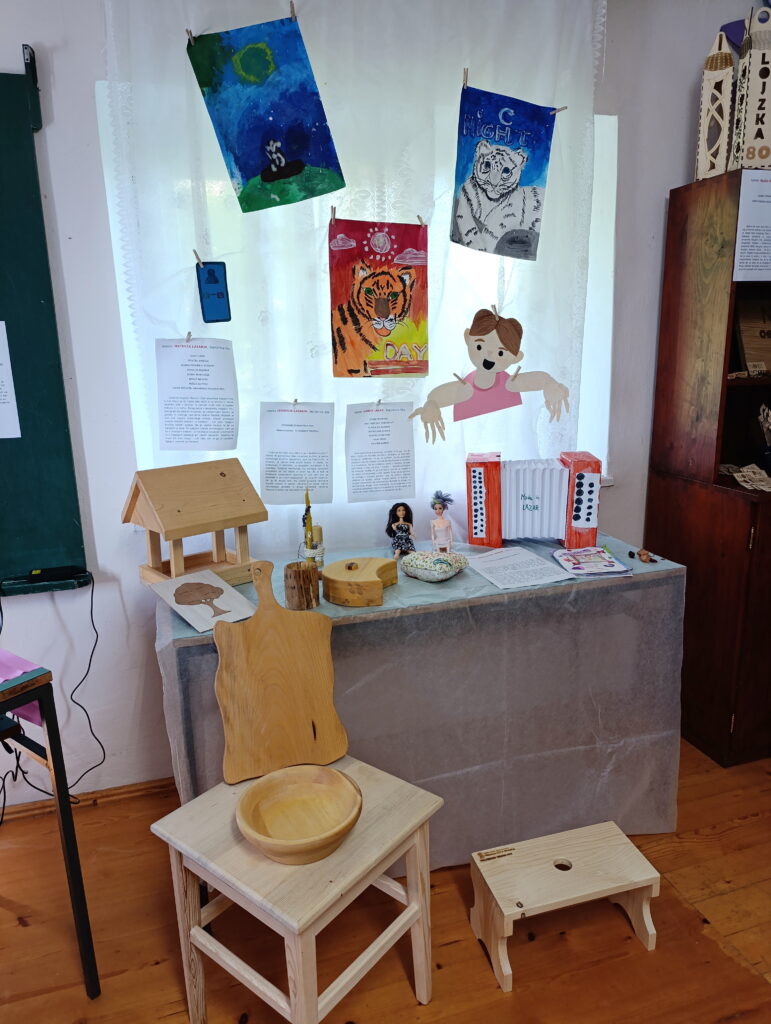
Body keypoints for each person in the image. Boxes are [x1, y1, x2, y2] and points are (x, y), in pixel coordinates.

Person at [409, 308, 569, 443]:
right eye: (479, 346)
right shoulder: (466, 389)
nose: (489, 356)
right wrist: (431, 405)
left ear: (516, 358)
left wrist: (550, 384)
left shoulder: (509, 384)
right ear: (467, 338)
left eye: (501, 353)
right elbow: (436, 397)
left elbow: (541, 380)